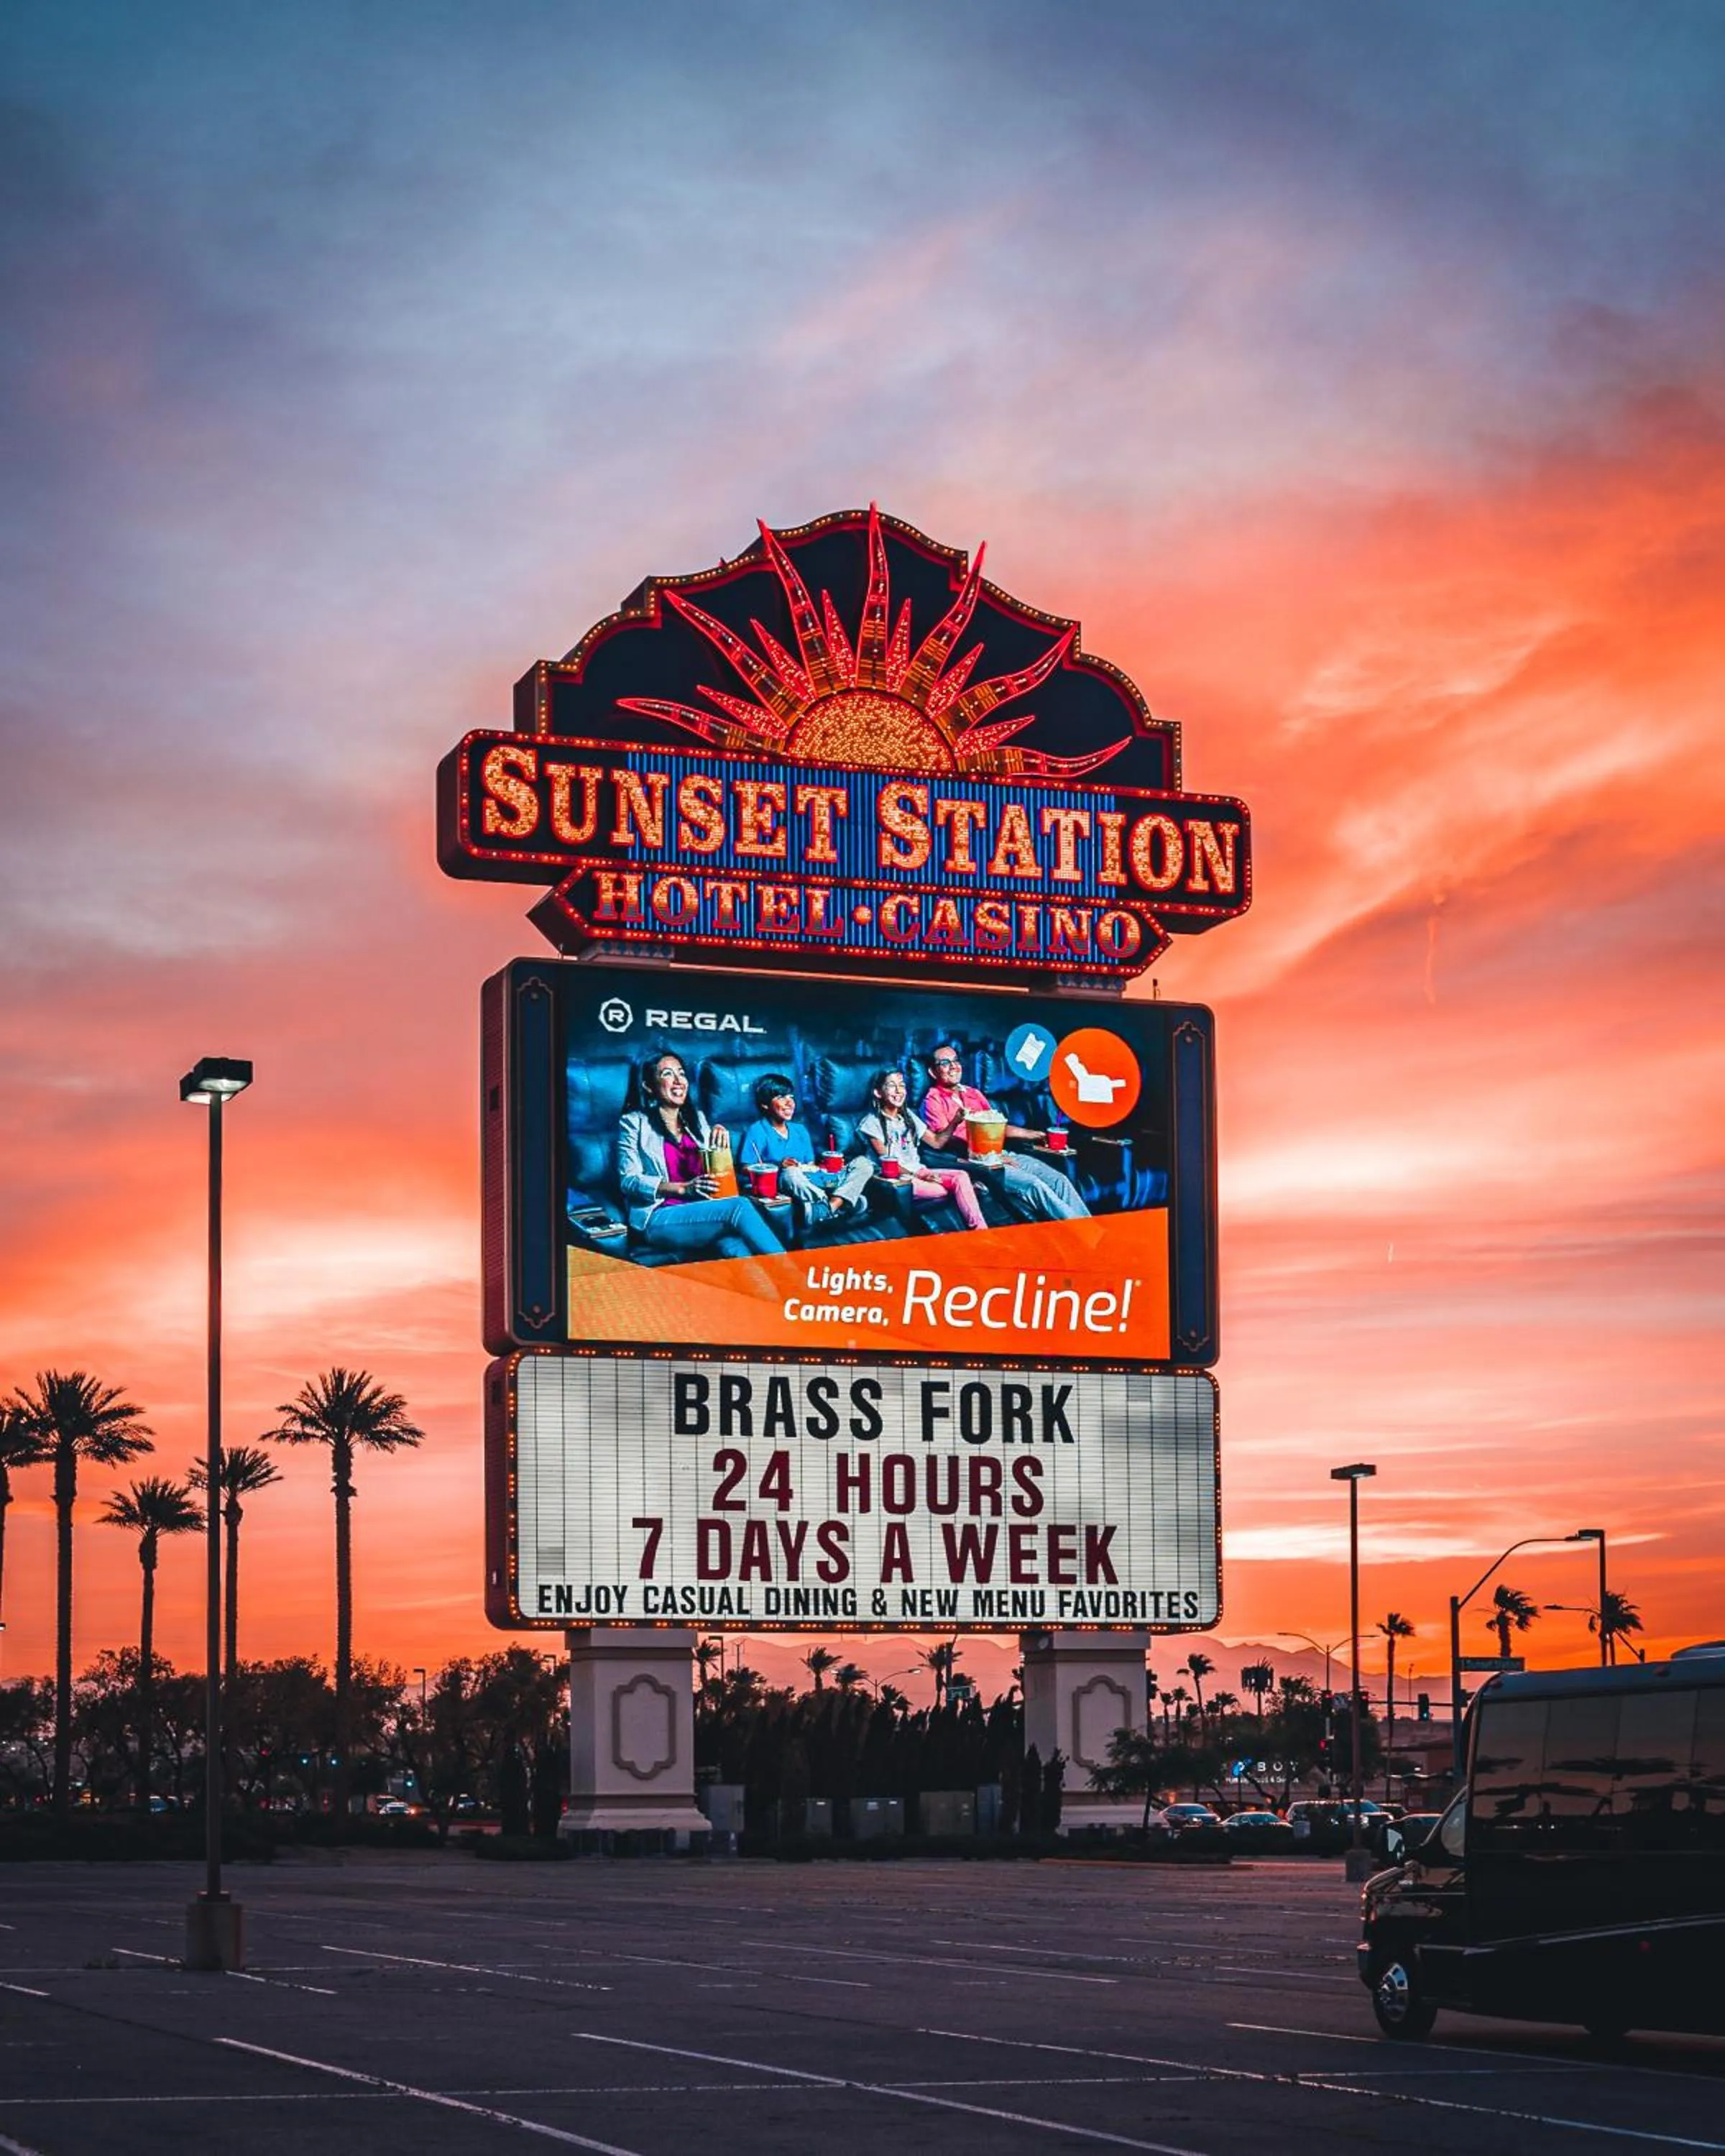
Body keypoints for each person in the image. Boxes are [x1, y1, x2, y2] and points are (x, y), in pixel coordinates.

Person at [616, 1051, 783, 1261]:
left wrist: (720, 1145)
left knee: (737, 1250)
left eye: (682, 1074)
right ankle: (795, 1275)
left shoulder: (698, 1120)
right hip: (659, 1216)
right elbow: (629, 1180)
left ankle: (786, 1291)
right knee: (739, 1207)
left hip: (701, 1211)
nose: (678, 1081)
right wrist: (683, 1188)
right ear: (649, 1086)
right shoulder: (634, 1122)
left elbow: (714, 1173)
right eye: (667, 1074)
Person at [919, 1041, 1090, 1222]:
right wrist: (991, 1156)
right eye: (945, 1063)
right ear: (933, 1072)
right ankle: (1084, 1234)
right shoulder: (932, 1100)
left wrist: (1035, 1135)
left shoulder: (973, 1093)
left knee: (1058, 1179)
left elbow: (997, 1125)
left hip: (1002, 1154)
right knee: (1034, 1185)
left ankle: (1092, 1231)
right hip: (976, 1163)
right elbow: (947, 1141)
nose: (953, 1066)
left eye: (956, 1061)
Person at [737, 1073, 872, 1229]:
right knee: (791, 1173)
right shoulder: (757, 1130)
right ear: (765, 1105)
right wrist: (778, 1165)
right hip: (788, 1181)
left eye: (791, 1097)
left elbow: (810, 1164)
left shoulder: (800, 1130)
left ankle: (829, 1206)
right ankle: (844, 1202)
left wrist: (827, 1169)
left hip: (813, 1182)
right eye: (781, 1097)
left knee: (863, 1164)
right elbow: (745, 1168)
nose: (790, 1103)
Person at [857, 1068, 987, 1229]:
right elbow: (888, 1164)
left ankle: (981, 1231)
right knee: (949, 1189)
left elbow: (937, 1142)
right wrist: (921, 1175)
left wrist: (955, 1121)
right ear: (878, 1093)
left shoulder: (909, 1117)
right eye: (891, 1086)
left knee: (961, 1176)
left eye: (902, 1085)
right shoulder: (871, 1123)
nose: (899, 1091)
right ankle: (967, 1193)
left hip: (919, 1172)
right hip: (895, 1180)